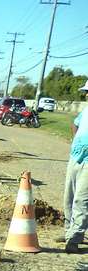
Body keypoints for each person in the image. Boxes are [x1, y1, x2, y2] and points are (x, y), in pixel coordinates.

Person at [62, 80, 88, 253]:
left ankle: (75, 238)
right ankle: (68, 232)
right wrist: (75, 141)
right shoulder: (86, 110)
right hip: (75, 157)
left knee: (82, 199)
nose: (86, 95)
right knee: (69, 196)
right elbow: (75, 123)